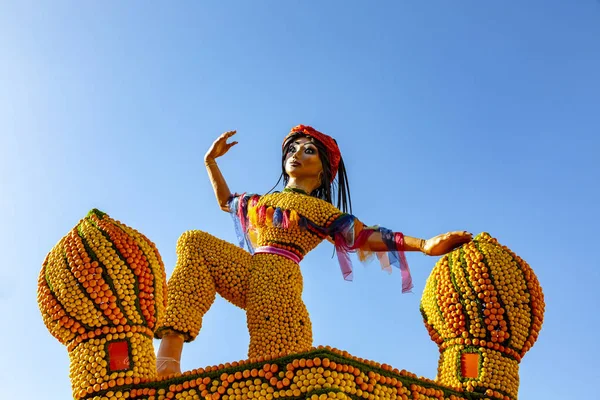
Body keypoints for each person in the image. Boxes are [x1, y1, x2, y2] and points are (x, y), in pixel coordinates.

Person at [154, 125, 471, 376]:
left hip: (279, 282)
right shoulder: (264, 201)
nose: (296, 154)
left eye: (308, 151)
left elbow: (364, 236)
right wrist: (210, 162)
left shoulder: (320, 210)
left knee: (273, 371)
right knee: (194, 241)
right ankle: (168, 356)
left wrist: (424, 245)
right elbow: (227, 202)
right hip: (250, 269)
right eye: (292, 149)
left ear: (322, 170)